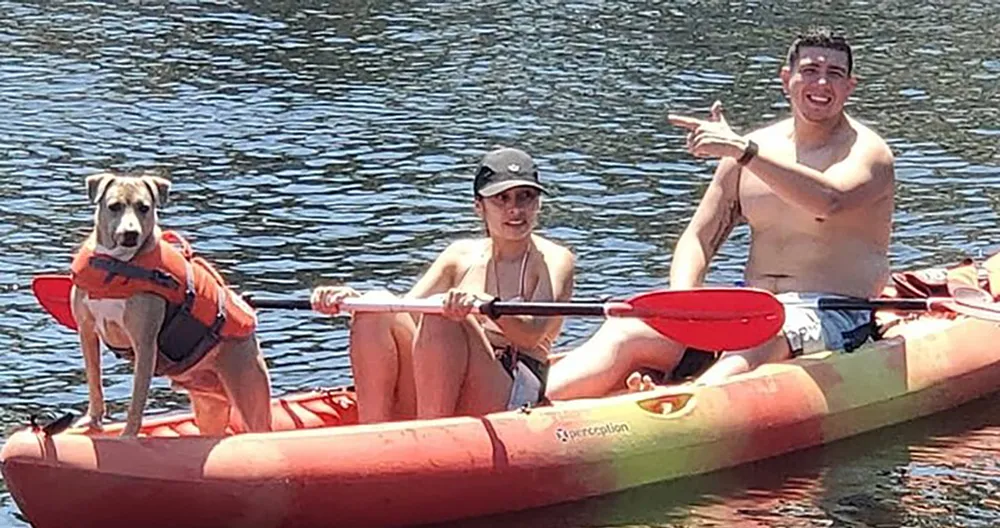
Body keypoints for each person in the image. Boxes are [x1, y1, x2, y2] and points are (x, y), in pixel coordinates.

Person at [546, 29, 895, 399]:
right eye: (809, 70)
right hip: (749, 306)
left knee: (759, 341)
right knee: (626, 330)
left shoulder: (868, 153)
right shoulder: (749, 153)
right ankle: (526, 407)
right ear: (785, 79)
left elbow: (830, 200)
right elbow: (699, 237)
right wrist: (683, 302)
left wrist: (744, 151)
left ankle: (681, 405)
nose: (821, 82)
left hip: (830, 311)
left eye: (835, 74)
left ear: (850, 86)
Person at [312, 147, 575, 422]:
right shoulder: (458, 255)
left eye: (526, 197)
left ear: (538, 204)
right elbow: (403, 310)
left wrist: (483, 304)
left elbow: (531, 335)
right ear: (479, 206)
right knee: (374, 309)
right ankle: (372, 434)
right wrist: (354, 300)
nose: (515, 210)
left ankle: (432, 438)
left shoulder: (554, 259)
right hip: (454, 373)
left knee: (444, 316)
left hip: (513, 385)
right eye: (501, 198)